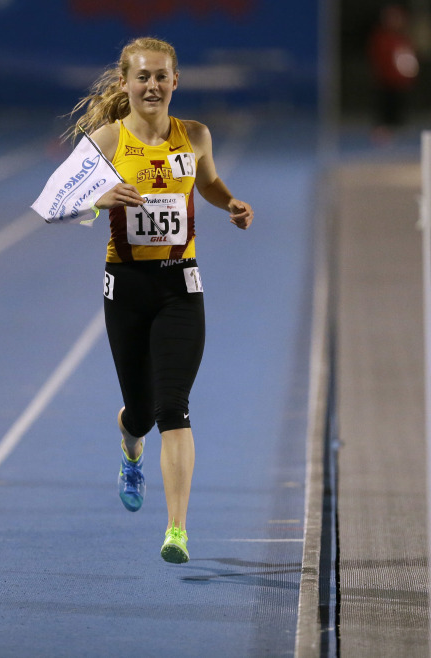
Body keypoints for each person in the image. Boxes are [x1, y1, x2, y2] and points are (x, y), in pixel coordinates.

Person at [64, 36, 252, 563]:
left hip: (179, 288)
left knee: (174, 407)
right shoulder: (106, 140)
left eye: (160, 76)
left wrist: (230, 202)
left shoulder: (194, 136)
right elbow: (58, 199)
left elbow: (208, 183)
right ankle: (130, 448)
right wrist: (99, 198)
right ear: (124, 83)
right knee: (143, 413)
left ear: (175, 81)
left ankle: (176, 530)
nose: (151, 85)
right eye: (141, 76)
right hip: (125, 289)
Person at [367, 4, 419, 143]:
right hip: (384, 82)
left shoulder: (403, 38)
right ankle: (383, 138)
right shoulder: (380, 38)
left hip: (401, 84)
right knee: (384, 113)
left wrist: (408, 75)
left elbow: (409, 59)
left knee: (399, 115)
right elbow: (377, 59)